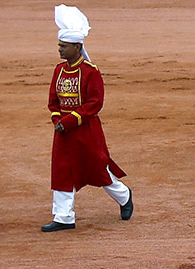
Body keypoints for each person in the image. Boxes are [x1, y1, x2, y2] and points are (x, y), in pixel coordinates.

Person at [41, 4, 133, 232]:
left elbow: (94, 104)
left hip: (85, 131)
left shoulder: (92, 72)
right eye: (59, 45)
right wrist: (57, 121)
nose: (60, 50)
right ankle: (64, 217)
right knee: (62, 170)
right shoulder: (58, 70)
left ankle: (123, 196)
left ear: (77, 47)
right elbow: (53, 101)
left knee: (96, 169)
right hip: (63, 131)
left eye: (64, 46)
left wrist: (69, 121)